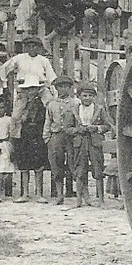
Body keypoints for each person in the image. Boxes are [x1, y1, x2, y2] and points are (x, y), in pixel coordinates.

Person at [0, 35, 57, 137]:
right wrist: (4, 85)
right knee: (16, 115)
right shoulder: (20, 58)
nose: (31, 49)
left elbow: (51, 77)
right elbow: (4, 68)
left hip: (40, 88)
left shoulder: (43, 60)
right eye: (29, 46)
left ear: (39, 48)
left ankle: (51, 132)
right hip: (24, 89)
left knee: (51, 106)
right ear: (25, 47)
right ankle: (15, 137)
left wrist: (54, 93)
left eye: (34, 46)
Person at [69, 81, 111, 207]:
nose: (87, 98)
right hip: (80, 143)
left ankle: (101, 199)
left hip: (94, 142)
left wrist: (97, 128)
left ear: (94, 97)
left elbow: (107, 126)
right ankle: (79, 200)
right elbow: (68, 128)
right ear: (79, 97)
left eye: (90, 96)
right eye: (84, 96)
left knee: (98, 169)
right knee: (80, 170)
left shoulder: (99, 109)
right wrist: (77, 130)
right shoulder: (74, 110)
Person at [42, 77, 80, 205]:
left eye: (66, 86)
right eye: (60, 86)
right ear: (56, 88)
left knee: (73, 162)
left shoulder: (75, 103)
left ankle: (79, 194)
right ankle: (59, 194)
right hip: (56, 136)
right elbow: (48, 122)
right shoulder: (52, 104)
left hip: (70, 137)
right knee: (56, 164)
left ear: (70, 88)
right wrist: (47, 138)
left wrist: (76, 132)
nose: (63, 89)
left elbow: (79, 121)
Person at [12, 91, 49, 203]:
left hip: (37, 134)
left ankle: (39, 193)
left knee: (38, 166)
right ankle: (25, 193)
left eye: (33, 88)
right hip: (24, 135)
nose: (31, 91)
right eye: (29, 89)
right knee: (24, 166)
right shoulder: (20, 102)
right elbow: (15, 118)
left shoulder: (43, 101)